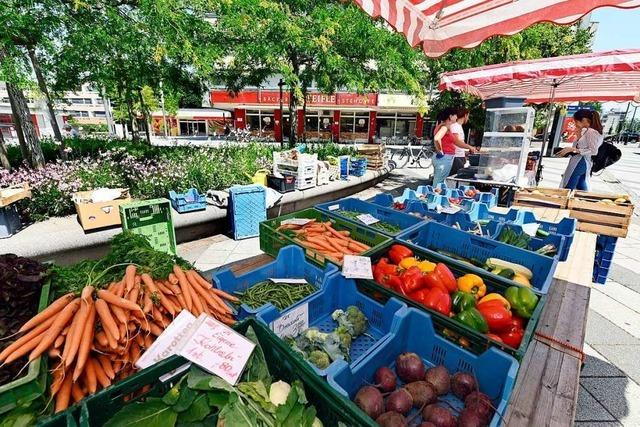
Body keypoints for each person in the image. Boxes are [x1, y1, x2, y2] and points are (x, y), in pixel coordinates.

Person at [556, 109, 603, 191]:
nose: (575, 123)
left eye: (576, 121)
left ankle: (564, 201)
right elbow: (584, 146)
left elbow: (593, 150)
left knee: (568, 186)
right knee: (581, 185)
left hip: (581, 161)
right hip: (582, 161)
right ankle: (585, 201)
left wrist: (573, 149)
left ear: (584, 120)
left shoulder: (591, 132)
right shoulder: (588, 131)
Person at [431, 107, 458, 186]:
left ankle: (434, 196)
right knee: (439, 184)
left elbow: (456, 141)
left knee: (438, 182)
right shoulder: (445, 127)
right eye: (455, 115)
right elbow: (436, 138)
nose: (456, 117)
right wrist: (440, 150)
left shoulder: (442, 126)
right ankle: (434, 197)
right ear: (450, 116)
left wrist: (469, 147)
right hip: (444, 158)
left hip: (442, 158)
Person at [449, 107, 478, 176]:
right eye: (468, 116)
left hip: (459, 157)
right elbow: (456, 141)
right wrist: (470, 147)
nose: (468, 118)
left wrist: (465, 151)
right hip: (456, 158)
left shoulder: (458, 126)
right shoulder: (455, 126)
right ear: (465, 115)